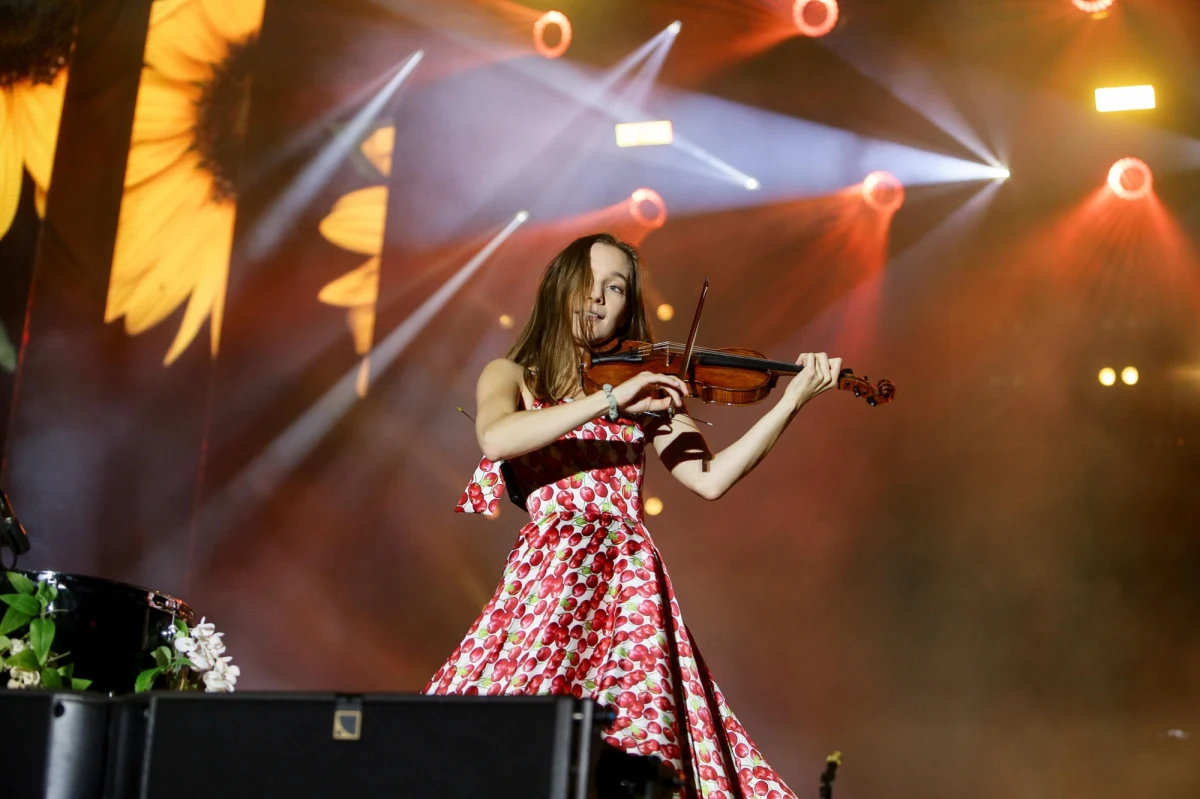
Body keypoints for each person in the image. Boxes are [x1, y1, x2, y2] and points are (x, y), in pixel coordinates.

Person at [426, 232, 842, 799]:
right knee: (507, 729)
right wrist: (613, 402)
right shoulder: (514, 374)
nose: (597, 298)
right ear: (558, 289)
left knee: (633, 741)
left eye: (615, 287)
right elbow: (498, 439)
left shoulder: (647, 387)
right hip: (550, 575)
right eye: (587, 283)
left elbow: (710, 479)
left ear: (629, 306)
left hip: (625, 575)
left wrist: (790, 402)